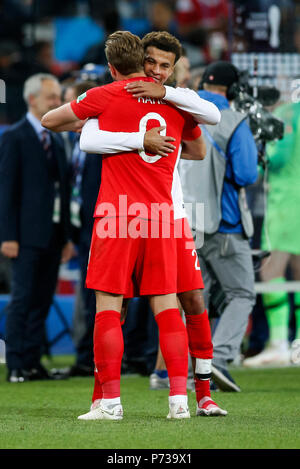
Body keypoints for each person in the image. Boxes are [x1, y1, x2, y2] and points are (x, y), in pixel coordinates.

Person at [41, 30, 204, 421]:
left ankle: (110, 403)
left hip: (117, 216)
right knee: (167, 307)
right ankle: (179, 402)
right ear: (146, 63)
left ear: (112, 67)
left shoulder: (105, 96)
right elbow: (197, 149)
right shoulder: (174, 101)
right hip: (164, 217)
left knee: (109, 308)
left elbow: (50, 121)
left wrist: (96, 129)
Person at [79, 31, 227, 416]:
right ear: (139, 60)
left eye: (166, 66)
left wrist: (165, 99)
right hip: (157, 214)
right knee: (143, 306)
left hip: (165, 214)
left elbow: (198, 147)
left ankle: (202, 395)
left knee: (189, 300)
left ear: (174, 68)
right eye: (152, 63)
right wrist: (141, 139)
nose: (158, 71)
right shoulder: (128, 97)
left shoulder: (172, 100)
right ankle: (112, 396)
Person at [179, 61, 258, 392]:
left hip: (187, 219)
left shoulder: (183, 112)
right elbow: (246, 174)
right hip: (223, 223)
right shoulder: (234, 120)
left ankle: (187, 369)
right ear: (234, 89)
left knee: (198, 299)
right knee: (242, 293)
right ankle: (221, 358)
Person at [0, 73, 74, 382]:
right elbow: (5, 191)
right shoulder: (14, 137)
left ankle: (33, 362)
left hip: (52, 236)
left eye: (58, 97)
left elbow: (64, 190)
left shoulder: (56, 138)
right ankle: (16, 363)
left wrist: (66, 237)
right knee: (22, 299)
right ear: (32, 100)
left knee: (42, 299)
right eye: (51, 98)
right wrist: (7, 236)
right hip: (24, 236)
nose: (57, 103)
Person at [243, 100, 300, 368]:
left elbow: (278, 157)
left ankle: (278, 343)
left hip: (286, 202)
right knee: (298, 271)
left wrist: (253, 166)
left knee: (271, 270)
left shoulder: (287, 113)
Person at [63, 80, 103, 377]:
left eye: (72, 105)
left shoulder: (97, 144)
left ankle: (93, 358)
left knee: (98, 297)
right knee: (89, 297)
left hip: (99, 229)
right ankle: (87, 356)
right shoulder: (77, 145)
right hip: (82, 229)